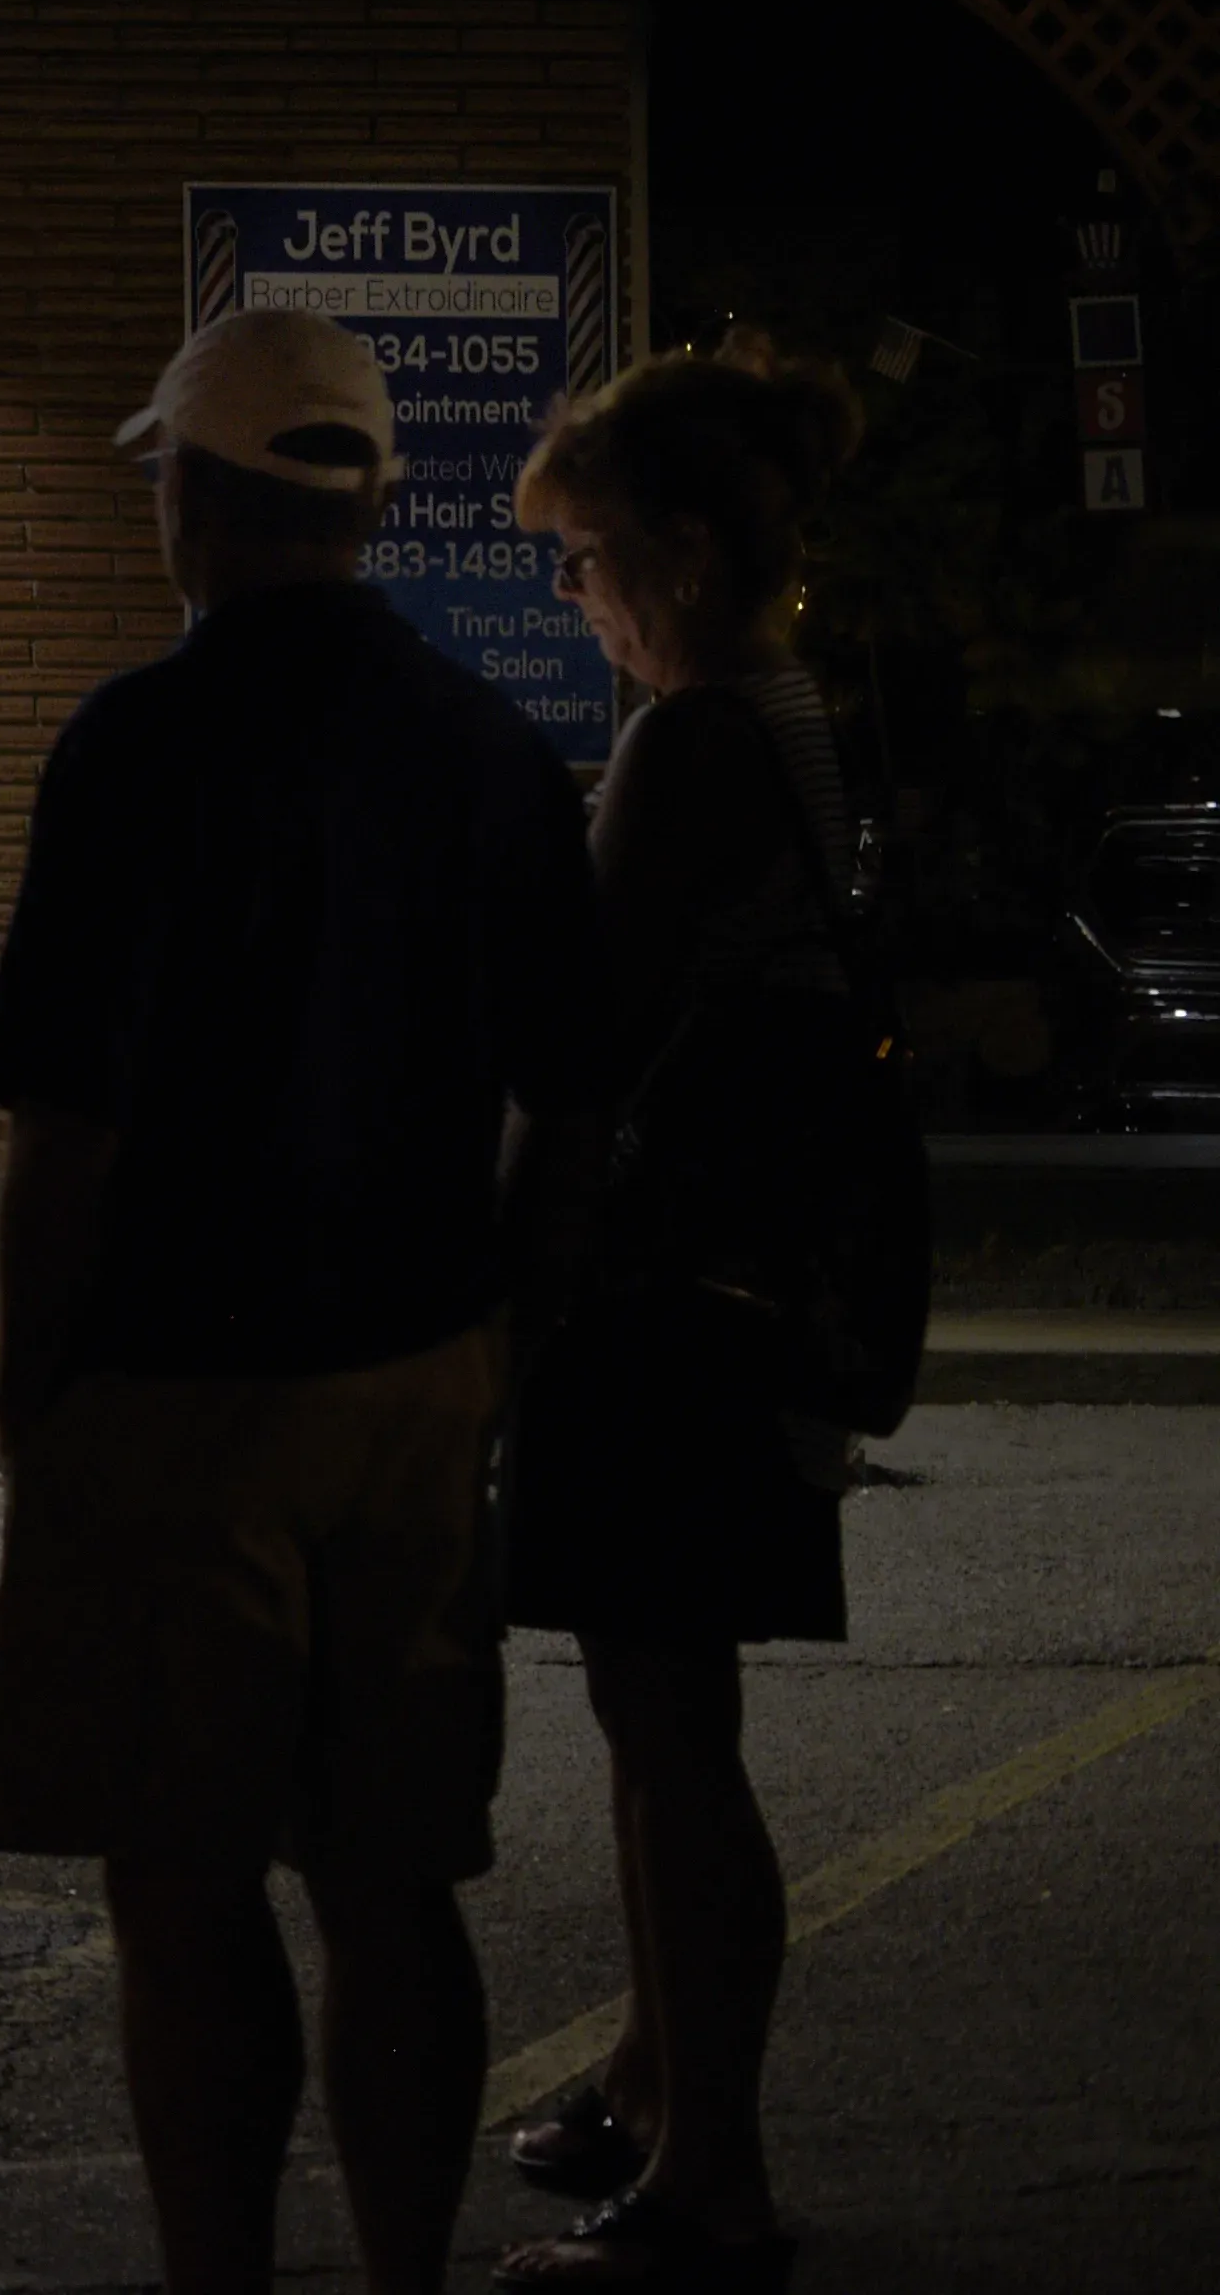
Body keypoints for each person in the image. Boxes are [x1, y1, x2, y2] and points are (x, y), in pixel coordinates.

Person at [0, 302, 609, 2295]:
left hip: (170, 1382)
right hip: (413, 1371)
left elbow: (59, 1113)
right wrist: (489, 1320)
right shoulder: (488, 752)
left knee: (179, 1881)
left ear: (197, 494)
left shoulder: (130, 746)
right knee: (391, 1875)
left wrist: (26, 1375)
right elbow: (571, 1097)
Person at [492, 344, 876, 2294]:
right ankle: (649, 2083)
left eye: (585, 564)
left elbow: (580, 1036)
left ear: (679, 550)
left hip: (672, 1313)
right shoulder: (770, 718)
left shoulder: (695, 743)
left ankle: (703, 2172)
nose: (574, 603)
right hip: (755, 1300)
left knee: (665, 1732)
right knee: (664, 1717)